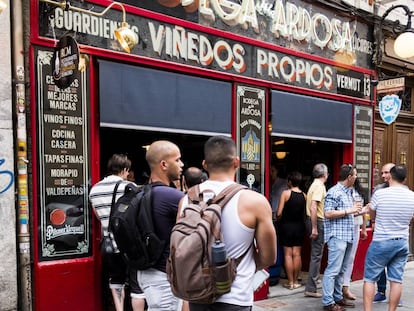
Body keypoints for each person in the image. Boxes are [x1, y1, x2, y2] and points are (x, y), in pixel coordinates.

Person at [178, 135, 277, 310]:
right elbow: (269, 257)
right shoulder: (254, 201)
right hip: (235, 298)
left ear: (204, 165)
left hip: (198, 295)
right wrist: (243, 267)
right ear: (237, 162)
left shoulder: (187, 200)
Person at [89, 154, 146, 311]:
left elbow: (98, 216)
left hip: (109, 245)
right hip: (129, 244)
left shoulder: (94, 189)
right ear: (125, 169)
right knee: (137, 285)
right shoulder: (128, 187)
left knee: (115, 280)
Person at [137, 140, 185, 310]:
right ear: (164, 164)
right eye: (177, 160)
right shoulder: (172, 196)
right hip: (163, 277)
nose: (182, 164)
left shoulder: (142, 192)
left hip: (146, 273)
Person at [363, 165, 414, 311]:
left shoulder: (380, 194)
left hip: (381, 240)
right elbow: (411, 218)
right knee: (396, 280)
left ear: (390, 176)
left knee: (370, 278)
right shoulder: (412, 196)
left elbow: (372, 216)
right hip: (402, 241)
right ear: (404, 180)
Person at [321, 164, 363, 311]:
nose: (356, 177)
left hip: (348, 235)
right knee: (333, 270)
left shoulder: (349, 192)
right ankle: (328, 302)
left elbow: (350, 212)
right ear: (350, 177)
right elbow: (327, 213)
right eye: (355, 175)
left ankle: (338, 297)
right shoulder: (334, 191)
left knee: (341, 270)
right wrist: (349, 210)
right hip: (337, 236)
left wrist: (361, 211)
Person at [371, 163, 398, 304]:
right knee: (379, 265)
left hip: (397, 234)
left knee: (395, 265)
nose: (383, 176)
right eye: (382, 173)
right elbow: (372, 209)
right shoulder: (378, 190)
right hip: (381, 233)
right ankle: (381, 291)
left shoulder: (402, 190)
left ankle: (395, 294)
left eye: (386, 172)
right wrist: (373, 222)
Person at [276, 171, 306, 290]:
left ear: (289, 182)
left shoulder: (285, 193)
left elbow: (279, 212)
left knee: (288, 254)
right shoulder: (304, 195)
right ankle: (296, 281)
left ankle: (291, 282)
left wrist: (279, 218)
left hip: (286, 226)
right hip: (299, 227)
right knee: (297, 254)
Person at [304, 163, 329, 298]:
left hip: (312, 220)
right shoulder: (319, 186)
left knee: (316, 253)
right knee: (316, 255)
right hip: (317, 221)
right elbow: (314, 206)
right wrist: (314, 227)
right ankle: (311, 288)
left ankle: (313, 282)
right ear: (324, 174)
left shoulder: (313, 185)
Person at [342, 177, 368, 301]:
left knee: (351, 257)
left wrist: (363, 228)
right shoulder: (340, 192)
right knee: (339, 258)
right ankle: (338, 287)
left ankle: (345, 287)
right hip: (342, 227)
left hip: (355, 226)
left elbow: (363, 212)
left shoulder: (358, 193)